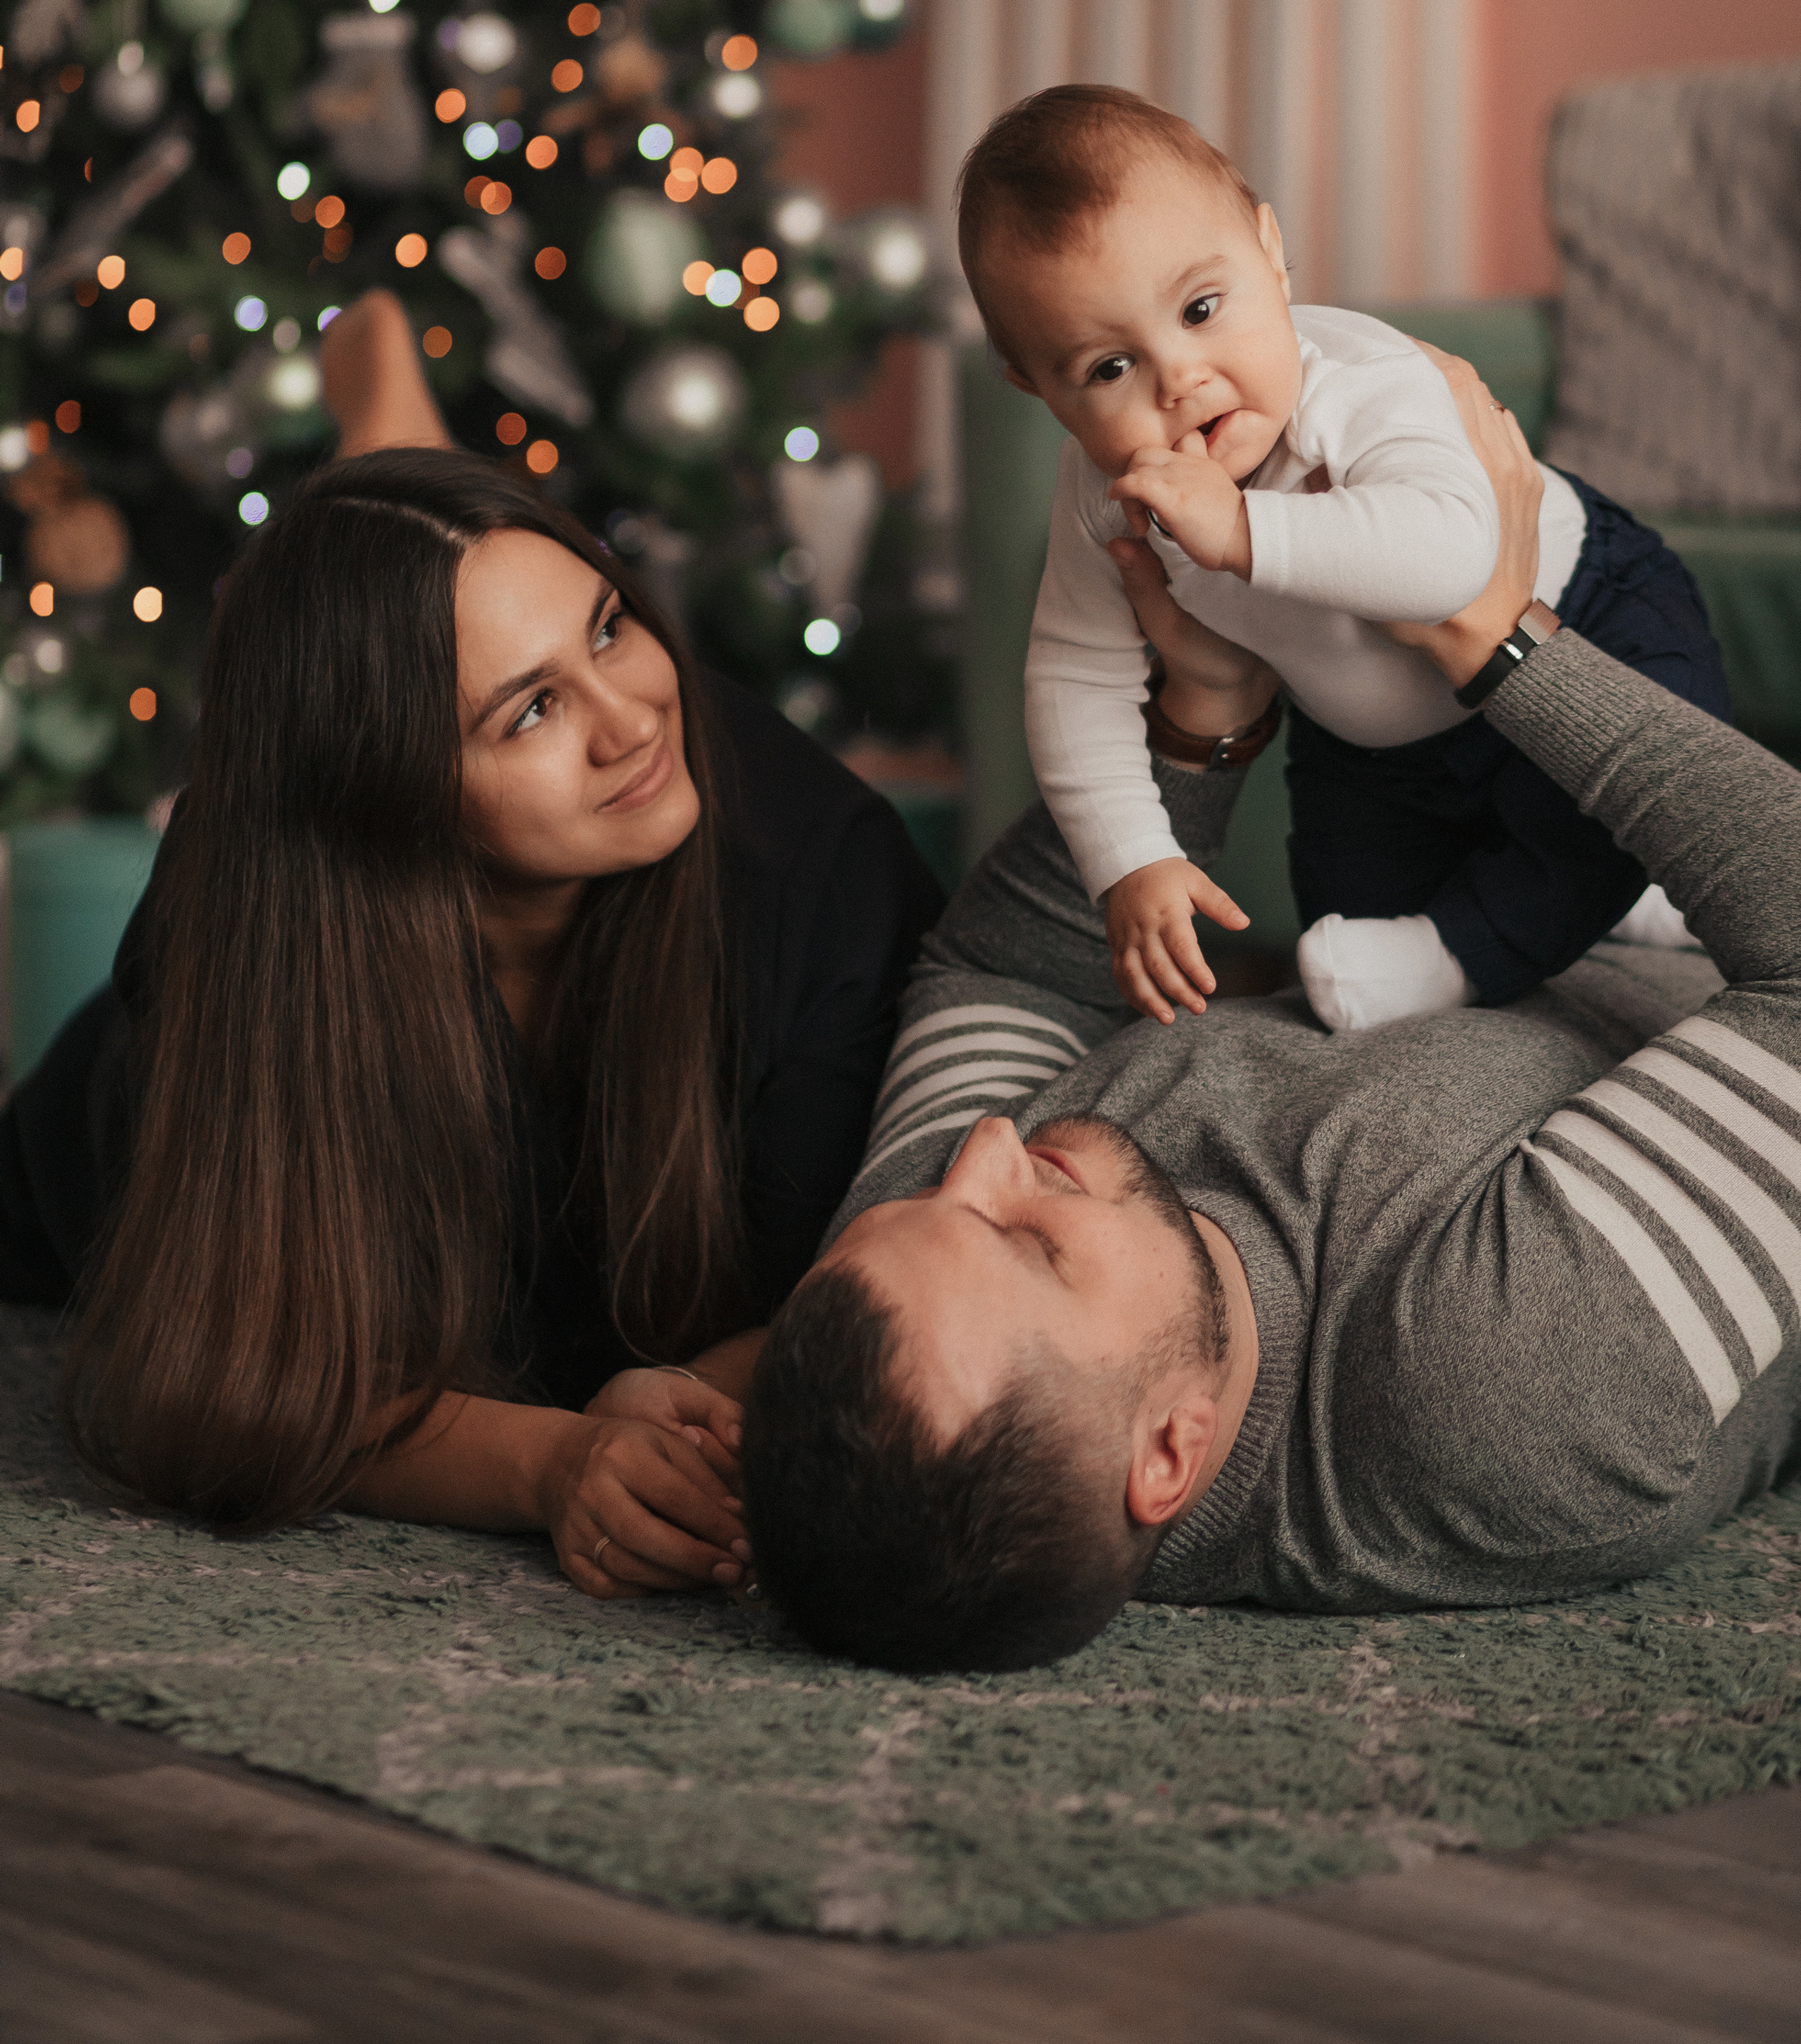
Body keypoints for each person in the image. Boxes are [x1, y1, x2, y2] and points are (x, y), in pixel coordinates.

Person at [739, 365, 1801, 1672]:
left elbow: (998, 973)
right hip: (1717, 951)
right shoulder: (1508, 1383)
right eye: (1034, 1247)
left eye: (940, 1193)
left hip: (1475, 911)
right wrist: (1495, 640)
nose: (987, 1151)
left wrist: (1200, 723)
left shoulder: (912, 1279)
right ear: (1171, 1453)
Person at [0, 295, 941, 1601]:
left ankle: (399, 460)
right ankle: (389, 470)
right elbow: (237, 1387)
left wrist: (669, 1405)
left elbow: (855, 1290)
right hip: (141, 1094)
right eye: (533, 709)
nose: (629, 719)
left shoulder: (812, 870)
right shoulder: (248, 925)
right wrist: (543, 1465)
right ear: (397, 810)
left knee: (471, 620)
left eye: (613, 622)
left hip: (639, 876)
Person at [960, 84, 1729, 1033]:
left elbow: (1449, 560)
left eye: (1202, 308)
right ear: (1038, 388)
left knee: (1604, 824)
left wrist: (1242, 534)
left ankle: (1505, 938)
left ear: (1271, 256)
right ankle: (1603, 908)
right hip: (1371, 744)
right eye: (1110, 369)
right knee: (1341, 943)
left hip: (1586, 621)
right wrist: (1130, 856)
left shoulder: (1358, 384)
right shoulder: (1101, 492)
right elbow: (1074, 675)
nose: (1181, 380)